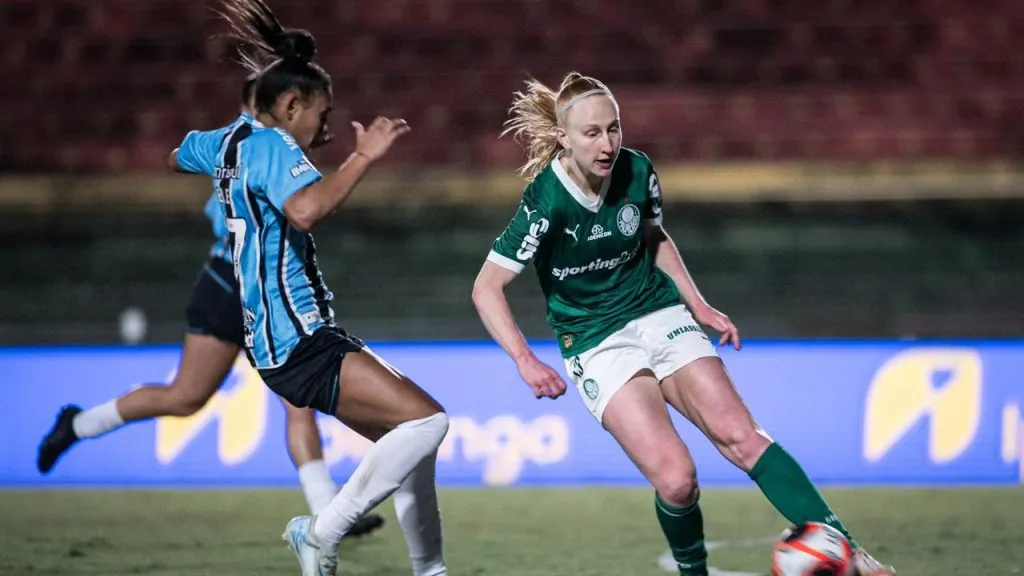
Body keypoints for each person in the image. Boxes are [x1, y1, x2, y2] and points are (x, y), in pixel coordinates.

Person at [470, 71, 897, 576]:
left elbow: (654, 237)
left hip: (657, 311)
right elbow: (486, 287)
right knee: (676, 481)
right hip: (595, 339)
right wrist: (525, 360)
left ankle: (850, 553)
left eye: (614, 128)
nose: (607, 144)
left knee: (742, 436)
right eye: (592, 133)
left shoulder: (637, 170)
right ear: (563, 137)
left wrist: (699, 304)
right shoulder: (546, 200)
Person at [35, 71, 386, 539]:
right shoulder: (254, 150)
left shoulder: (248, 150)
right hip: (231, 285)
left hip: (261, 292)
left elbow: (177, 158)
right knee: (185, 398)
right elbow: (298, 209)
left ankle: (328, 515)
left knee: (298, 404)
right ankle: (78, 424)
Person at [176, 1, 450, 575]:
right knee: (429, 423)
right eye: (321, 115)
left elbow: (178, 153)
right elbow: (304, 211)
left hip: (276, 339)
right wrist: (362, 157)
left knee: (408, 441)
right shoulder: (276, 147)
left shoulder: (228, 143)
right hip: (298, 336)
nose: (325, 129)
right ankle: (320, 533)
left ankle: (431, 572)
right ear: (291, 105)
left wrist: (233, 176)